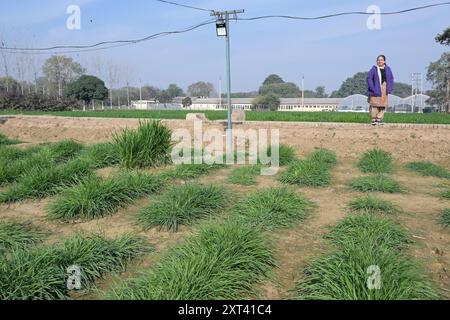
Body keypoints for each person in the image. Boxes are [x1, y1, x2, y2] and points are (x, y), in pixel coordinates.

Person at [367, 55, 394, 126]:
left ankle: (379, 119)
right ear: (376, 61)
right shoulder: (374, 69)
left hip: (384, 88)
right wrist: (372, 87)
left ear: (384, 61)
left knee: (382, 104)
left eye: (381, 60)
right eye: (378, 60)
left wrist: (390, 87)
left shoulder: (388, 69)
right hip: (376, 88)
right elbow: (369, 78)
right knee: (374, 104)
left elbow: (391, 78)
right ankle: (373, 119)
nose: (380, 61)